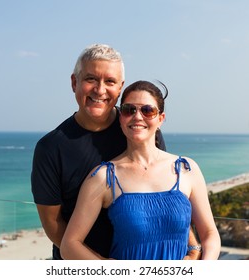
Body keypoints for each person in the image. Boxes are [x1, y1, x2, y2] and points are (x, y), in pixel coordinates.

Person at [31, 44, 201, 260]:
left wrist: (193, 247)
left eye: (109, 81)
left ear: (120, 88)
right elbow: (53, 225)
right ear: (75, 82)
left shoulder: (140, 128)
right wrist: (103, 266)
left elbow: (165, 197)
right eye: (90, 79)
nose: (100, 90)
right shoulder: (51, 148)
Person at [60, 80, 221, 260]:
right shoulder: (104, 177)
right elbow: (69, 245)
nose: (137, 116)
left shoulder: (186, 169)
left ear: (160, 119)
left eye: (147, 110)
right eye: (129, 110)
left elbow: (210, 234)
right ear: (121, 118)